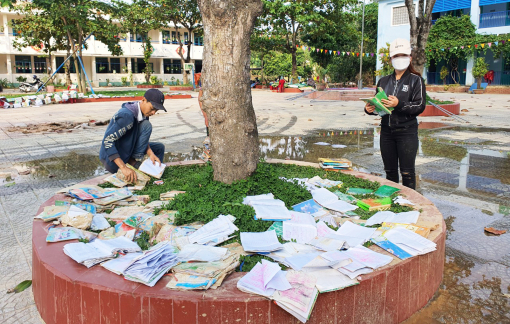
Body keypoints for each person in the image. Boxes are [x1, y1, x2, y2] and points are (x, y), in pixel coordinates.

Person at [364, 38, 426, 190]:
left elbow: (420, 106)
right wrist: (370, 109)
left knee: (407, 172)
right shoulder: (383, 81)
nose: (399, 59)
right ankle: (392, 202)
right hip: (386, 133)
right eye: (396, 56)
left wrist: (399, 104)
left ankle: (410, 204)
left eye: (403, 55)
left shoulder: (416, 80)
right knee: (390, 172)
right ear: (391, 59)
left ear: (410, 57)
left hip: (407, 133)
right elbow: (379, 106)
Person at [99, 89, 167, 183]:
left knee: (159, 148)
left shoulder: (143, 113)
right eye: (152, 108)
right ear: (143, 100)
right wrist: (123, 167)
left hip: (128, 146)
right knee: (147, 125)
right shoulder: (126, 116)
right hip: (113, 159)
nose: (153, 113)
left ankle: (155, 173)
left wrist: (150, 153)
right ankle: (133, 163)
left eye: (156, 110)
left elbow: (142, 136)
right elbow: (107, 141)